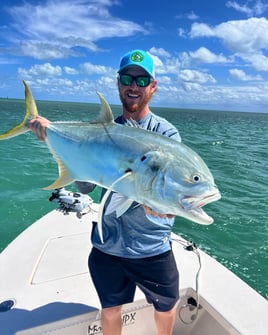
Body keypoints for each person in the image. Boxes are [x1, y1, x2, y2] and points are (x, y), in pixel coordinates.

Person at [29, 49, 181, 335]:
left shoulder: (166, 136)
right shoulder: (99, 130)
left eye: (141, 79)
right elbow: (86, 186)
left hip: (151, 247)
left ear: (153, 86)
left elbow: (171, 188)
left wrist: (164, 208)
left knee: (167, 306)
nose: (133, 86)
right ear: (118, 83)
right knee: (110, 309)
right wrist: (58, 143)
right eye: (127, 78)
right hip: (108, 243)